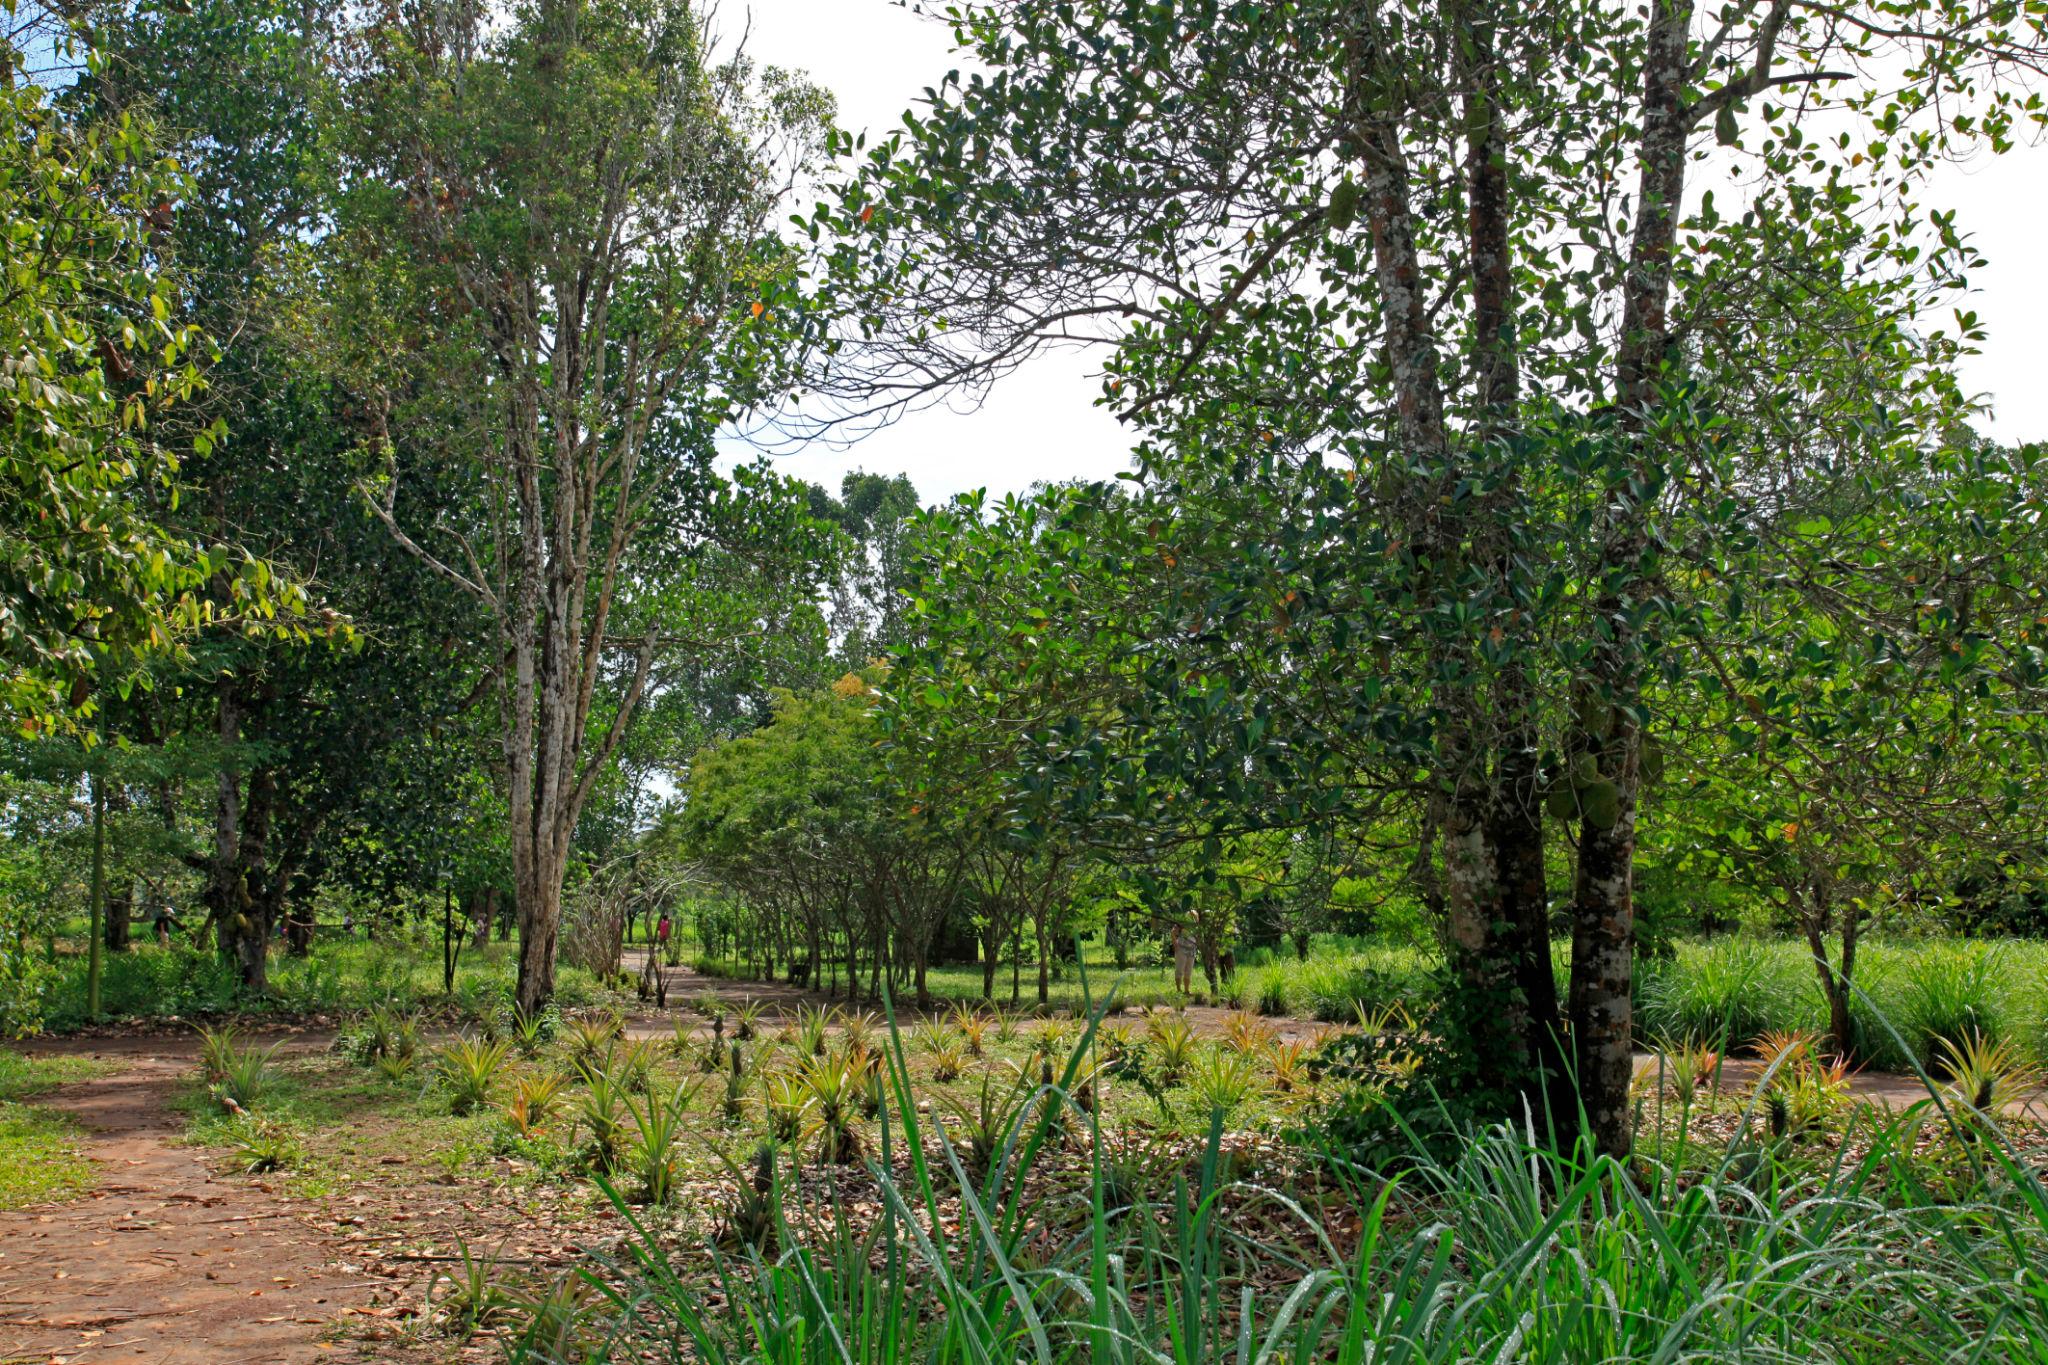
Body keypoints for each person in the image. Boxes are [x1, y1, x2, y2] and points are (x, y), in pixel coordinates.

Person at [1171, 922, 1196, 996]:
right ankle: (1178, 990)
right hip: (1181, 949)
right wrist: (1175, 945)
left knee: (1188, 970)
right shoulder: (1181, 924)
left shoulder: (1197, 927)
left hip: (1192, 950)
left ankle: (1187, 991)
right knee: (1179, 969)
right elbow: (1172, 932)